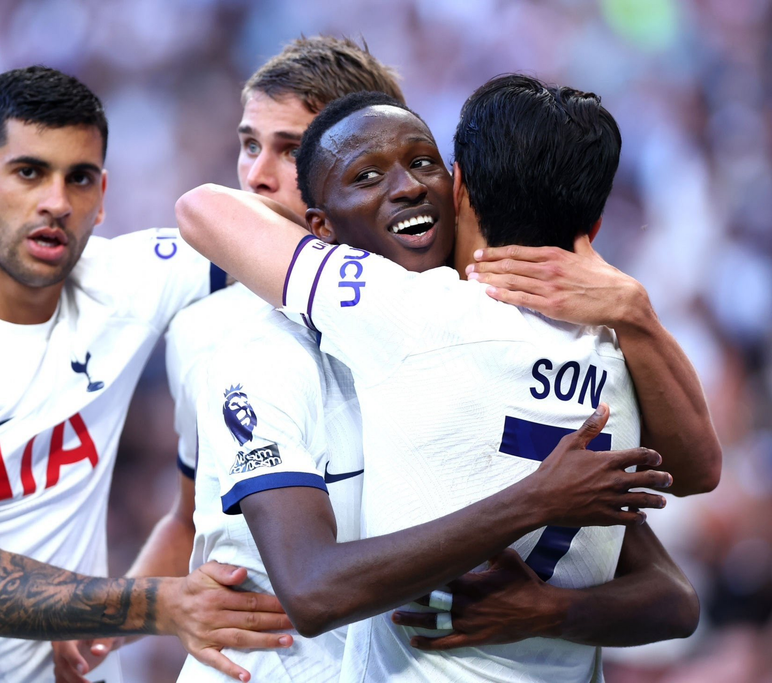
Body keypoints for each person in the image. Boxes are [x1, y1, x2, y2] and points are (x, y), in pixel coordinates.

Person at [175, 80, 719, 683]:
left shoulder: (405, 310)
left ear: (456, 185)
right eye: (366, 173)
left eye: (421, 162)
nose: (406, 186)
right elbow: (694, 491)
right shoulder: (612, 349)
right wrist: (635, 309)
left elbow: (203, 208)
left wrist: (549, 599)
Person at [0, 66, 294, 683]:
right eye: (28, 172)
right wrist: (162, 604)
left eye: (80, 179)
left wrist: (458, 263)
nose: (56, 202)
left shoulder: (127, 282)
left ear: (101, 199)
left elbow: (296, 236)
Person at [52, 36, 409, 683]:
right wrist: (108, 626)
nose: (257, 175)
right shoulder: (204, 322)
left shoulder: (423, 311)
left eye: (290, 150)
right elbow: (192, 516)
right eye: (249, 145)